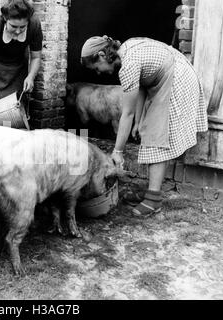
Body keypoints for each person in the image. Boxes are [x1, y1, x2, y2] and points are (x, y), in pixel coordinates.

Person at [80, 36, 208, 216]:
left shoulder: (128, 65)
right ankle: (151, 191)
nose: (99, 73)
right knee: (148, 130)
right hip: (167, 76)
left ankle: (153, 200)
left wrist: (118, 151)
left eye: (96, 68)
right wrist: (139, 122)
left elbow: (127, 113)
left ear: (101, 55)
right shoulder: (126, 50)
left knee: (155, 137)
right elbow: (140, 88)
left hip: (177, 77)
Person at [0, 0, 43, 110]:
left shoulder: (34, 25)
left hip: (18, 72)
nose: (18, 31)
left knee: (13, 113)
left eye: (22, 27)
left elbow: (36, 57)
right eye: (14, 26)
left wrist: (30, 77)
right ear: (6, 19)